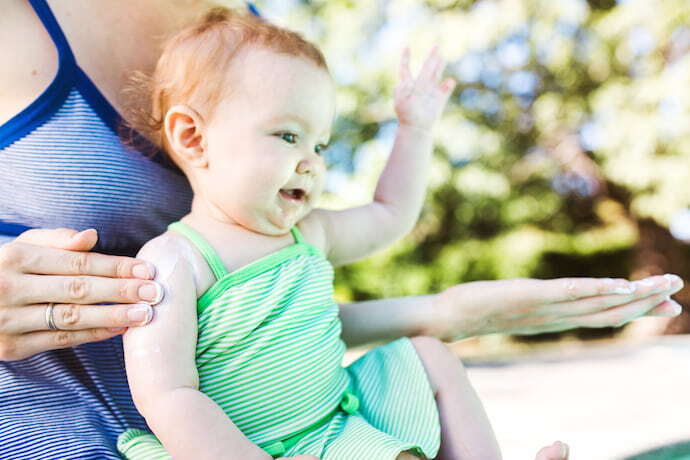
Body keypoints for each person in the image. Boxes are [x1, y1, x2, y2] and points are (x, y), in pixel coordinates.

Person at [0, 1, 682, 459]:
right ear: (192, 137)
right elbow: (169, 393)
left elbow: (389, 218)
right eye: (291, 136)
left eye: (322, 145)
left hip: (333, 424)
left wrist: (414, 132)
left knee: (430, 355)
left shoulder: (305, 225)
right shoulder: (177, 261)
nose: (312, 162)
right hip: (237, 445)